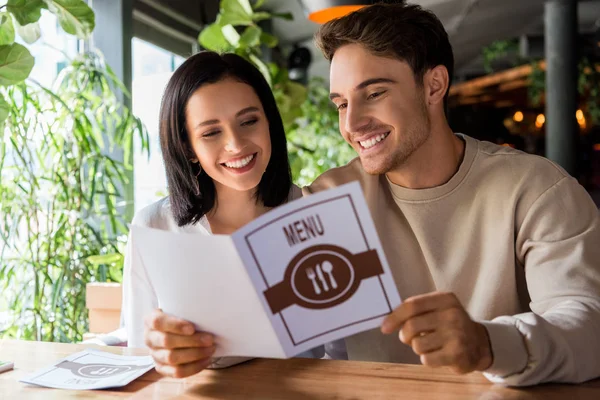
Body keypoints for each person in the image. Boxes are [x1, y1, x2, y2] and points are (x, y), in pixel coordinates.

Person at [304, 2, 600, 387]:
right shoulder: (327, 202)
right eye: (342, 104)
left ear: (434, 85)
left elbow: (588, 322)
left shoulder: (537, 188)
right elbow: (281, 336)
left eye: (374, 93)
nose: (352, 123)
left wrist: (488, 344)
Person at [121, 51, 302, 378]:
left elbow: (342, 347)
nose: (236, 144)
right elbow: (139, 347)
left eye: (249, 121)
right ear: (188, 148)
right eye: (211, 132)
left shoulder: (309, 209)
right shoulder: (154, 227)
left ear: (269, 122)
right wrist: (161, 351)